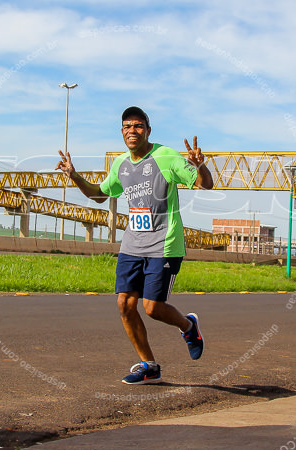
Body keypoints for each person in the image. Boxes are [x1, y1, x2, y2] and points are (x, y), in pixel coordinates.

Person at [56, 106, 214, 384]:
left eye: (138, 126)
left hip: (163, 244)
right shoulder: (120, 165)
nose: (133, 130)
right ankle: (149, 366)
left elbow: (206, 185)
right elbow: (99, 195)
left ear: (148, 130)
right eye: (127, 126)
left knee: (152, 308)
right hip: (132, 245)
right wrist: (75, 176)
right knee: (125, 305)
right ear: (122, 132)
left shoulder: (166, 157)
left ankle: (189, 327)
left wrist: (200, 166)